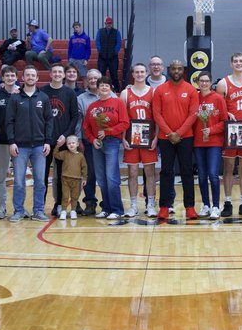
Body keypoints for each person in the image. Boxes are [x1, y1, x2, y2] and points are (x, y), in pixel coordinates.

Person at [4, 66, 53, 221]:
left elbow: (49, 121)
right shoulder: (15, 98)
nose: (31, 77)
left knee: (40, 181)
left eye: (33, 75)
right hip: (20, 146)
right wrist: (11, 142)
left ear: (37, 78)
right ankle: (18, 211)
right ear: (23, 78)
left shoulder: (43, 98)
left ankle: (38, 211)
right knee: (19, 182)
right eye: (28, 75)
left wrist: (48, 141)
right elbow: (9, 121)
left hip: (39, 146)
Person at [153, 58, 198, 221]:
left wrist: (178, 133)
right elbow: (157, 114)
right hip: (165, 138)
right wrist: (169, 133)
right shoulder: (160, 90)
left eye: (179, 68)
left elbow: (193, 114)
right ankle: (164, 207)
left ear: (183, 70)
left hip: (185, 137)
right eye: (174, 68)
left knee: (187, 172)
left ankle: (190, 207)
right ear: (169, 70)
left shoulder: (191, 90)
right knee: (166, 172)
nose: (177, 71)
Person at [217, 52, 242, 218]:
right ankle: (227, 202)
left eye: (241, 61)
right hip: (231, 131)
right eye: (235, 61)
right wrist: (227, 114)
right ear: (231, 64)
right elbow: (218, 107)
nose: (238, 63)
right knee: (228, 168)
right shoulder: (223, 83)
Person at [84, 76, 128, 219]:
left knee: (111, 177)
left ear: (110, 88)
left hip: (111, 142)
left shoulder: (118, 103)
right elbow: (86, 127)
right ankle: (106, 208)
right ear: (97, 88)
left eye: (106, 85)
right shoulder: (92, 106)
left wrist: (109, 131)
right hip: (97, 144)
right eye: (101, 85)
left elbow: (124, 123)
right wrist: (92, 139)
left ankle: (117, 210)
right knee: (101, 179)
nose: (103, 88)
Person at [40, 63, 80, 216]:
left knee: (63, 176)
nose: (57, 74)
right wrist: (45, 137)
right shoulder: (42, 92)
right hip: (45, 141)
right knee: (42, 175)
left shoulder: (69, 93)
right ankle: (40, 207)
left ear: (64, 75)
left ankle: (59, 204)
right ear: (50, 74)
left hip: (63, 142)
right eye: (54, 72)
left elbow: (74, 116)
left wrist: (66, 135)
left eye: (59, 72)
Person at [121, 63, 158, 218]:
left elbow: (157, 118)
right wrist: (123, 138)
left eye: (142, 72)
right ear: (133, 74)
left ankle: (150, 204)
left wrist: (156, 137)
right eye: (137, 72)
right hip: (132, 137)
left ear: (146, 73)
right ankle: (133, 205)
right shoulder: (125, 93)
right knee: (132, 172)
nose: (140, 74)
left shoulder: (153, 92)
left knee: (150, 172)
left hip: (148, 137)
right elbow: (122, 117)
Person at [190, 71, 226, 218]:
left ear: (210, 82)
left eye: (206, 81)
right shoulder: (194, 98)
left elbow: (224, 121)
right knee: (202, 175)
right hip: (198, 142)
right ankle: (205, 205)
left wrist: (211, 130)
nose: (204, 83)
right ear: (197, 82)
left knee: (213, 174)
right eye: (201, 81)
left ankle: (216, 206)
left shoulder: (218, 98)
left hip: (214, 142)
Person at [0, 67, 20, 219]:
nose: (9, 78)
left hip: (19, 142)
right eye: (7, 75)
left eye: (12, 75)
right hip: (1, 142)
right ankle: (2, 207)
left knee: (19, 178)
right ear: (2, 78)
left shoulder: (22, 93)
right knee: (0, 177)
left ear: (16, 77)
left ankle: (19, 209)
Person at [77, 69, 101, 215]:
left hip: (107, 142)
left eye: (95, 78)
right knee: (89, 174)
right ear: (86, 80)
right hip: (88, 141)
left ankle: (108, 204)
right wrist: (78, 138)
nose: (93, 81)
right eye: (90, 78)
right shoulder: (81, 98)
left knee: (106, 174)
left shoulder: (110, 95)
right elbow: (78, 121)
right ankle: (90, 203)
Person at [54, 138, 88, 220]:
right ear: (66, 145)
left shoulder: (80, 156)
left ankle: (73, 211)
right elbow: (56, 154)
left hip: (76, 180)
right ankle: (63, 211)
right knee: (65, 196)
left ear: (77, 144)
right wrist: (57, 146)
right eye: (69, 143)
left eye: (73, 143)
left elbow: (84, 167)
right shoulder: (65, 153)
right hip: (65, 179)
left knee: (74, 197)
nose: (71, 145)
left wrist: (84, 178)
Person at [96, 16, 124, 89]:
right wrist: (100, 51)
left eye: (110, 23)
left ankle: (117, 90)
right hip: (102, 57)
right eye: (107, 23)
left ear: (112, 24)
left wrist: (115, 51)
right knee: (101, 75)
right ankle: (100, 89)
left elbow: (119, 42)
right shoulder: (100, 31)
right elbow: (97, 42)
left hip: (113, 57)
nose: (109, 25)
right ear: (105, 23)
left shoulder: (116, 32)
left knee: (114, 75)